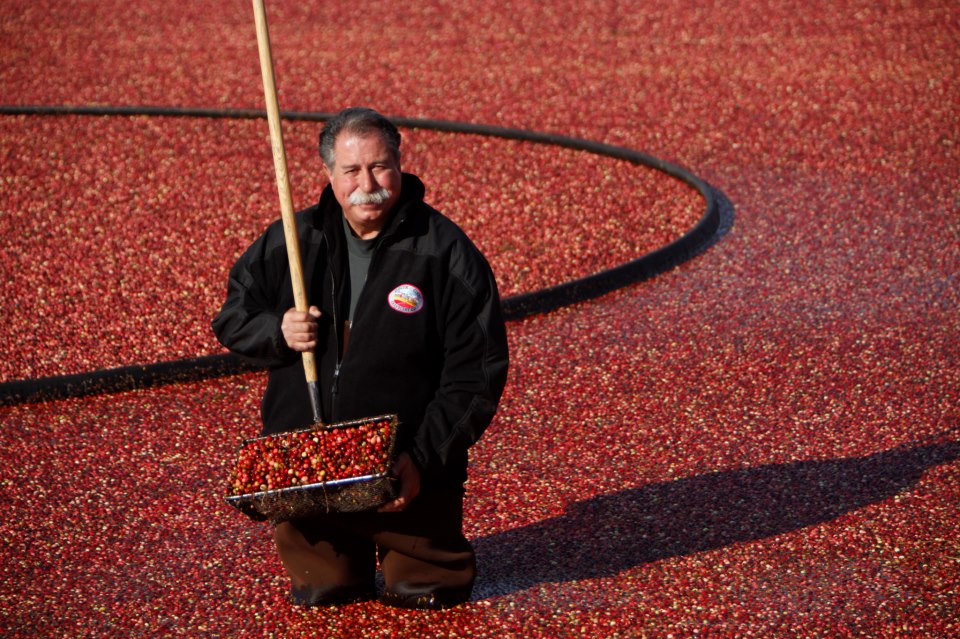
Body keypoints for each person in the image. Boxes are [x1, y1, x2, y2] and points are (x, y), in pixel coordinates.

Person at [212, 107, 509, 610]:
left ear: (399, 164)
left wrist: (422, 458)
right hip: (308, 465)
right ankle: (333, 556)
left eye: (380, 166)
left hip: (406, 469)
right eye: (351, 170)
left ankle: (418, 553)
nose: (367, 183)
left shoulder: (445, 252)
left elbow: (476, 374)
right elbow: (232, 315)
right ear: (330, 175)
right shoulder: (291, 239)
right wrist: (277, 329)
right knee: (326, 591)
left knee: (427, 591)